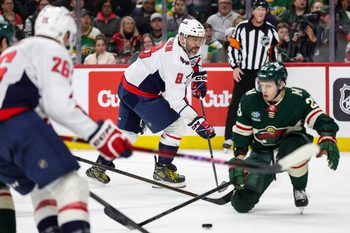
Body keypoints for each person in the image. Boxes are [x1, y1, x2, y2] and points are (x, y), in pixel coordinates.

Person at [0, 5, 132, 233]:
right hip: (16, 126)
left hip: (8, 135)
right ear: (64, 32)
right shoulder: (51, 48)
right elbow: (59, 105)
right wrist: (103, 137)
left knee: (44, 187)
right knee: (72, 185)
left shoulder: (15, 49)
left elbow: (30, 103)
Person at [86, 18, 216, 188]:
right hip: (140, 92)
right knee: (176, 126)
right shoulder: (175, 61)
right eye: (193, 39)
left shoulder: (180, 43)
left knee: (129, 133)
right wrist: (197, 122)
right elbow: (175, 100)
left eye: (200, 40)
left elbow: (194, 60)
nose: (197, 44)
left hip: (128, 85)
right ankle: (162, 169)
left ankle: (99, 166)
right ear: (183, 38)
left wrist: (199, 76)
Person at [228, 62, 340, 213]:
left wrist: (327, 136)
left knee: (294, 149)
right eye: (261, 84)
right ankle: (241, 192)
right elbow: (242, 135)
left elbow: (320, 119)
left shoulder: (298, 98)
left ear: (281, 84)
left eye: (268, 85)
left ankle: (299, 188)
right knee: (241, 205)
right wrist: (240, 160)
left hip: (291, 144)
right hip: (262, 152)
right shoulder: (249, 100)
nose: (263, 90)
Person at [223, 0, 279, 153]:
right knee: (236, 105)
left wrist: (272, 74)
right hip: (244, 73)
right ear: (253, 11)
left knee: (262, 107)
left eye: (263, 9)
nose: (260, 12)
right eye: (257, 9)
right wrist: (235, 67)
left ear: (266, 11)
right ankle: (229, 137)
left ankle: (262, 138)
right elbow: (233, 48)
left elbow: (273, 54)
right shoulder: (241, 27)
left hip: (261, 76)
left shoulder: (271, 31)